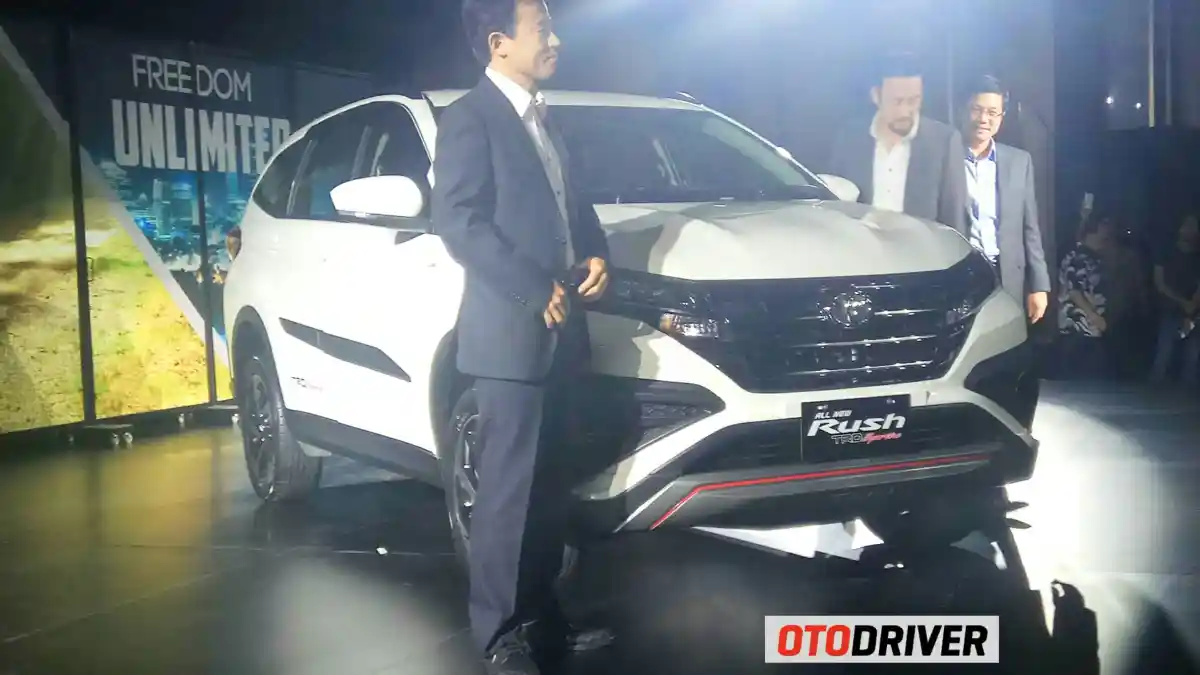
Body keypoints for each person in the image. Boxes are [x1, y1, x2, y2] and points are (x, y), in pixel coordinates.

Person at [431, 1, 614, 672]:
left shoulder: (545, 118)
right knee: (507, 497)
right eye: (543, 28)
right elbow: (459, 222)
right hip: (511, 335)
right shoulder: (469, 118)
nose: (556, 38)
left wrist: (597, 255)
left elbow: (573, 210)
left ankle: (543, 619)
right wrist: (533, 288)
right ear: (499, 42)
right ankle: (499, 633)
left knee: (547, 490)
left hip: (562, 333)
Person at [826, 53, 968, 230]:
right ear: (876, 96)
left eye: (913, 101)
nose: (905, 111)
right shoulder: (850, 138)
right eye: (897, 101)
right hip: (860, 244)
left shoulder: (944, 142)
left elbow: (955, 219)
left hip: (920, 246)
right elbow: (835, 207)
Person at [959, 75, 1051, 324]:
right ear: (964, 110)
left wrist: (1039, 285)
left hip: (1006, 274)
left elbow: (1030, 228)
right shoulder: (946, 158)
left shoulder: (1019, 161)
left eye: (992, 112)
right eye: (977, 110)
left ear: (1002, 117)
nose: (984, 119)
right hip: (960, 274)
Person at [1055, 211, 1115, 378]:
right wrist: (1094, 317)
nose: (1108, 231)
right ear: (1095, 229)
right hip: (1079, 329)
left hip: (1089, 329)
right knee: (1085, 378)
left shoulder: (1092, 257)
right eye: (1105, 225)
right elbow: (1074, 291)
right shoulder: (1079, 257)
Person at [1148, 214, 1200, 387]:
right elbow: (1160, 284)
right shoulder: (1166, 251)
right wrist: (1183, 302)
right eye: (1188, 225)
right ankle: (1155, 388)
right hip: (1169, 308)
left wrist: (1193, 303)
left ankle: (1187, 390)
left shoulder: (1197, 256)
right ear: (1179, 228)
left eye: (1194, 226)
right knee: (1164, 350)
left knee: (1193, 353)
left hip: (1194, 310)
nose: (1191, 229)